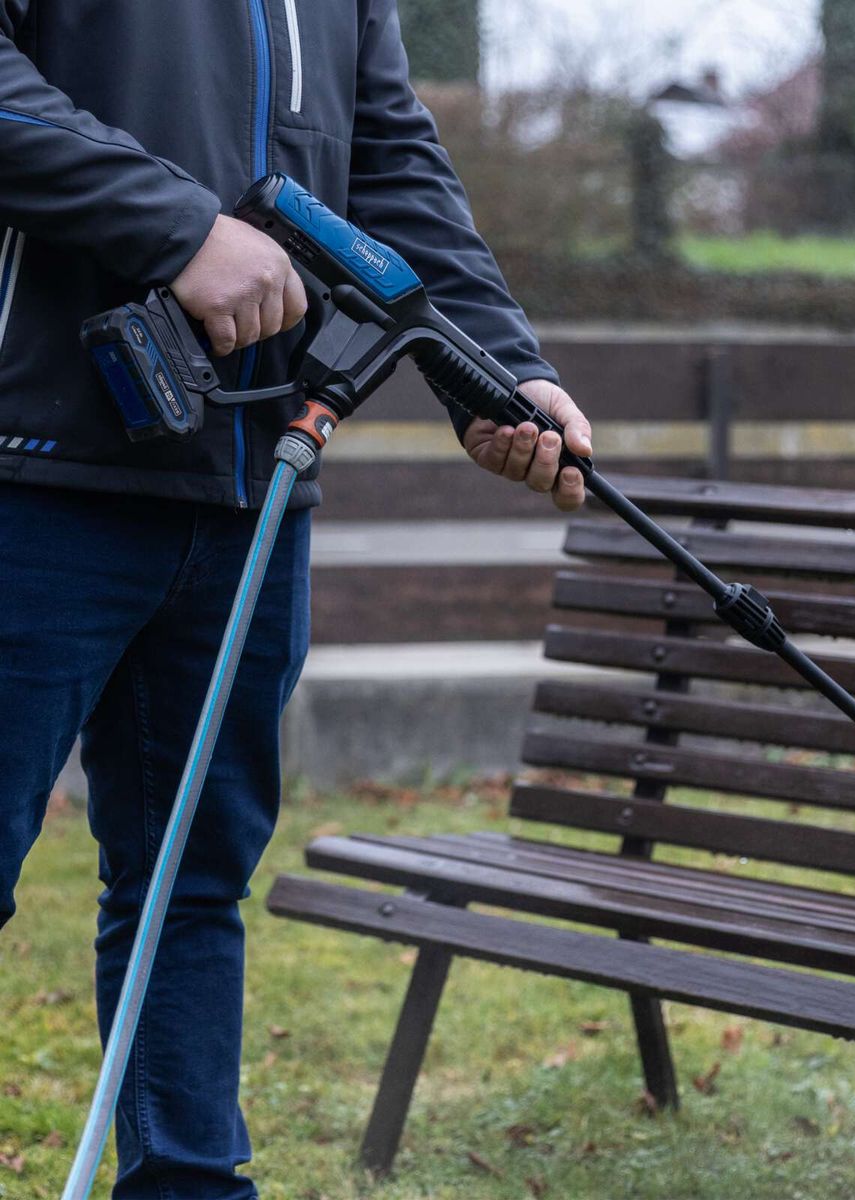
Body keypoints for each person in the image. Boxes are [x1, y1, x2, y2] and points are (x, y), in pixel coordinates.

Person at [0, 3, 591, 1196]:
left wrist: (496, 367)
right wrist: (179, 231)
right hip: (31, 476)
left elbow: (391, 159)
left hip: (250, 488)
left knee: (190, 884)